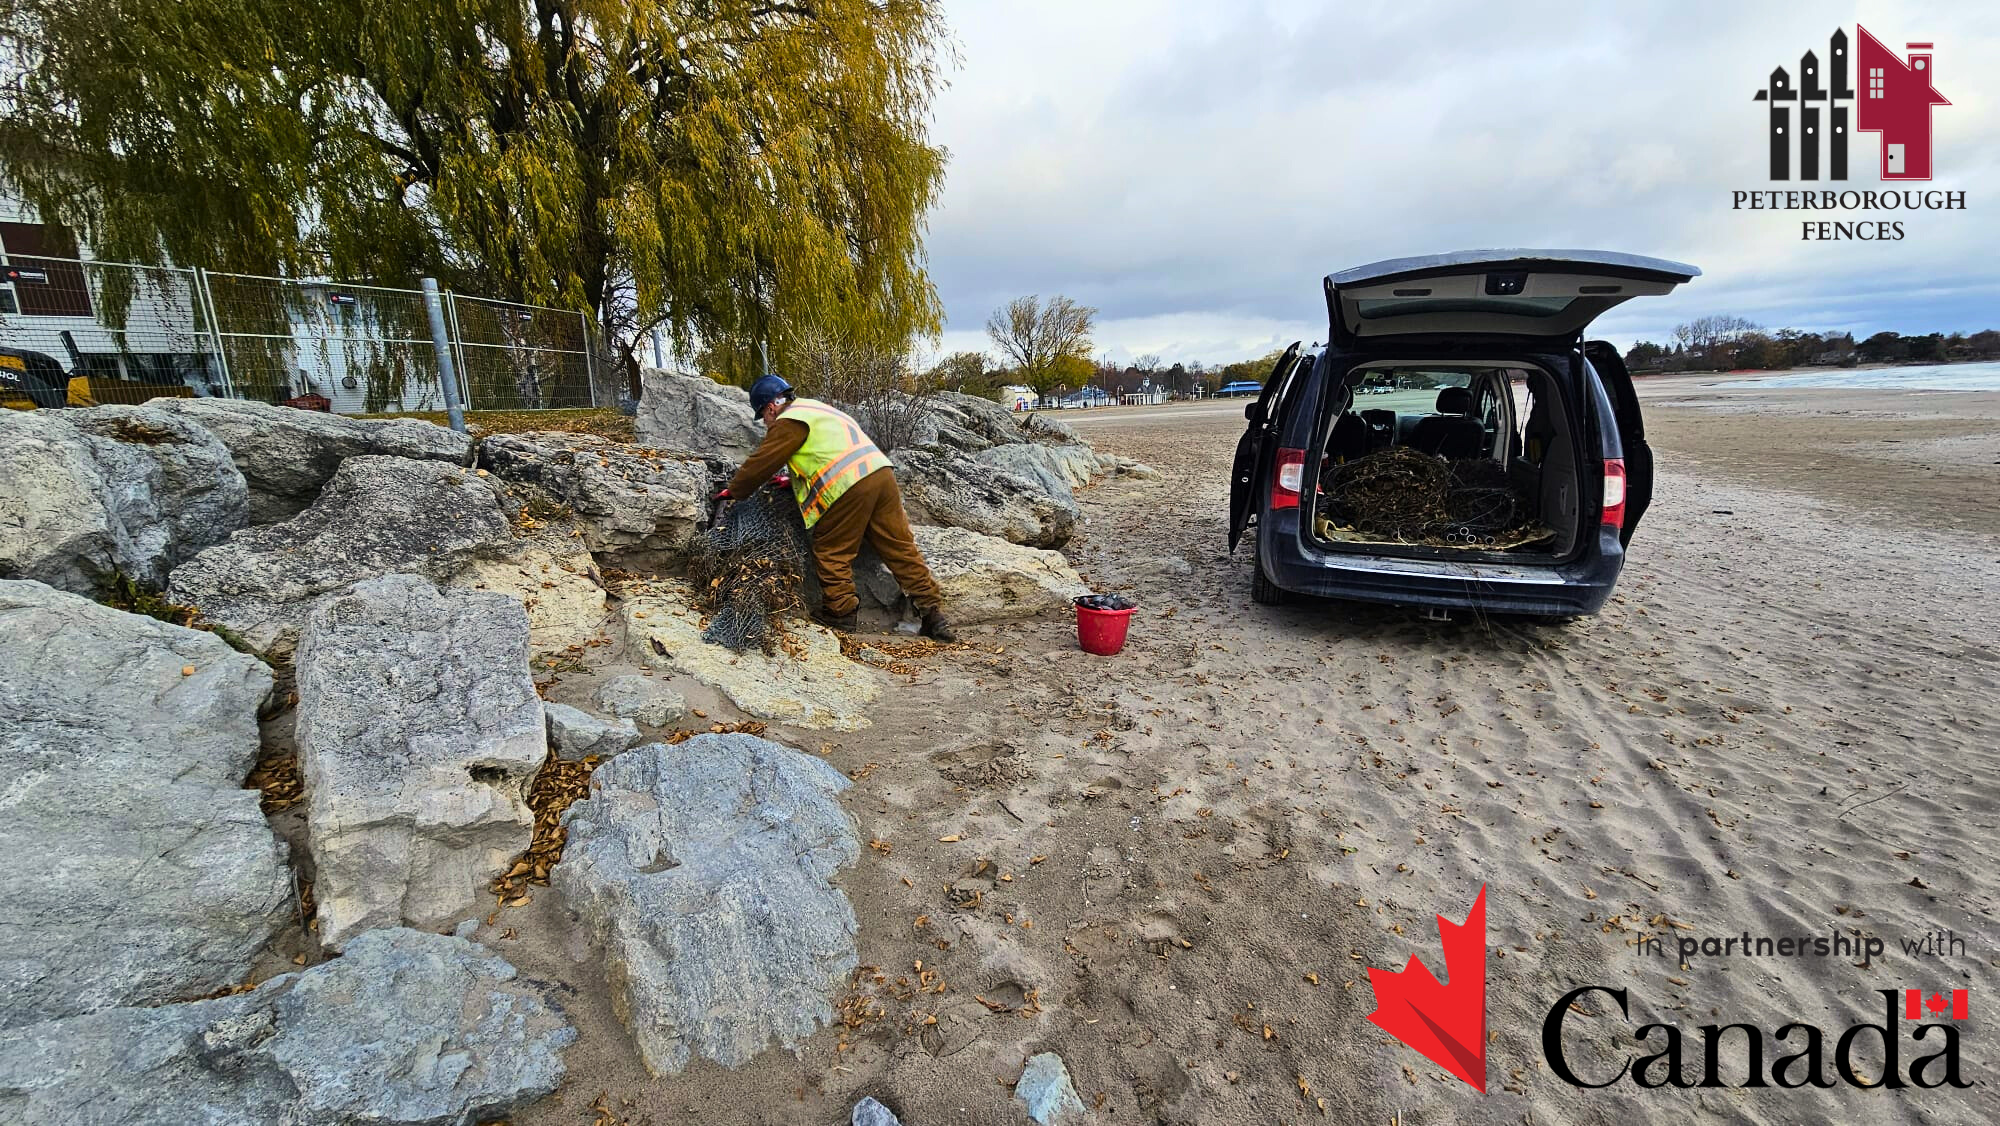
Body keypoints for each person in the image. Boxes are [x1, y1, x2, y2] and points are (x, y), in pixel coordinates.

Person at [719, 374, 956, 641]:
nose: (766, 422)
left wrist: (735, 491)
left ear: (770, 407)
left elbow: (762, 462)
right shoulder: (815, 409)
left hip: (848, 483)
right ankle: (933, 614)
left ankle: (840, 613)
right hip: (880, 473)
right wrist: (794, 478)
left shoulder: (788, 422)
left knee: (832, 549)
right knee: (899, 547)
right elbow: (825, 450)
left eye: (763, 416)